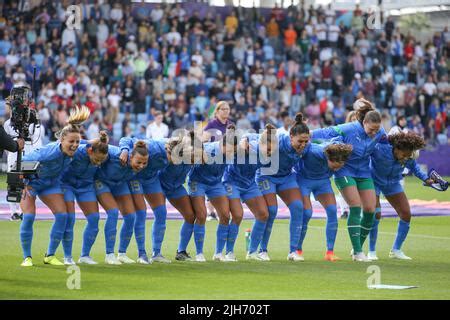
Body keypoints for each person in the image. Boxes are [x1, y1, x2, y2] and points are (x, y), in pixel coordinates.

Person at [311, 99, 387, 262]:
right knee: (355, 206)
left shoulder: (380, 132)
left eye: (377, 130)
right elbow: (327, 131)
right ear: (364, 122)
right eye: (371, 129)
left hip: (364, 172)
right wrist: (307, 134)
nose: (374, 133)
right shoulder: (350, 128)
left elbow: (388, 142)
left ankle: (356, 248)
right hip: (344, 170)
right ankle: (359, 252)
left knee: (370, 210)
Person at [19, 106, 90, 267]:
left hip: (50, 184)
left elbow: (83, 143)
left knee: (62, 216)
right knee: (29, 216)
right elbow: (23, 162)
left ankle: (49, 255)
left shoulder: (74, 148)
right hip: (29, 184)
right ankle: (27, 257)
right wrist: (23, 182)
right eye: (71, 142)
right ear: (61, 140)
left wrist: (92, 141)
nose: (75, 145)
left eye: (77, 142)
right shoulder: (49, 152)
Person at [118, 135, 190, 264]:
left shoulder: (178, 152)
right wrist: (124, 150)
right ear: (169, 152)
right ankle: (140, 254)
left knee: (161, 213)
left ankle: (156, 253)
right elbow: (126, 139)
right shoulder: (154, 147)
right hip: (136, 178)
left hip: (151, 180)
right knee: (141, 213)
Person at [368, 132, 435, 261]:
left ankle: (396, 250)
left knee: (406, 213)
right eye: (404, 155)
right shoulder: (381, 149)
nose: (406, 158)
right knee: (376, 214)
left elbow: (415, 168)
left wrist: (426, 179)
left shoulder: (408, 157)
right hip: (373, 181)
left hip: (392, 183)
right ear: (396, 149)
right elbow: (365, 152)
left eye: (408, 156)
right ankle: (371, 251)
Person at [255, 113, 309, 262]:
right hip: (266, 176)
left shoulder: (306, 146)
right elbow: (254, 138)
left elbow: (319, 147)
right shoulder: (278, 141)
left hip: (286, 177)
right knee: (271, 210)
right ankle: (262, 250)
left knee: (299, 207)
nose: (303, 145)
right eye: (300, 141)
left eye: (306, 141)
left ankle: (293, 251)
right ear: (291, 136)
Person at [223, 124, 277, 261]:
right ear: (261, 144)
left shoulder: (266, 146)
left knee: (263, 214)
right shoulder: (247, 147)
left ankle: (252, 252)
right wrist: (241, 142)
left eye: (273, 150)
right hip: (232, 181)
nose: (271, 153)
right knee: (237, 215)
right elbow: (241, 139)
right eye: (269, 149)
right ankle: (229, 252)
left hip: (249, 183)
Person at [294, 142, 353, 261]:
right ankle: (297, 249)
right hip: (304, 181)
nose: (337, 168)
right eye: (335, 165)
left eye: (340, 166)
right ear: (328, 158)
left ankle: (330, 252)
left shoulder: (339, 154)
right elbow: (297, 152)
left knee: (332, 211)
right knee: (306, 213)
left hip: (323, 183)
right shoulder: (313, 152)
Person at [188, 125, 238, 262]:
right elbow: (191, 163)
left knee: (225, 216)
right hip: (197, 182)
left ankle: (218, 253)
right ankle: (199, 253)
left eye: (233, 152)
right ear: (222, 144)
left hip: (215, 184)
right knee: (202, 215)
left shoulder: (232, 152)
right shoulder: (208, 149)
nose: (231, 155)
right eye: (229, 151)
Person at [94, 140, 149, 265]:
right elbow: (122, 140)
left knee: (131, 216)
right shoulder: (116, 154)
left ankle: (122, 253)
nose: (141, 166)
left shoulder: (140, 162)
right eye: (138, 162)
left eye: (144, 163)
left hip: (119, 184)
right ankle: (109, 254)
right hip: (101, 182)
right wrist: (124, 149)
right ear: (130, 157)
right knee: (113, 212)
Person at [60, 132, 109, 265]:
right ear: (89, 151)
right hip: (67, 185)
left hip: (86, 186)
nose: (98, 163)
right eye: (97, 160)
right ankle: (67, 257)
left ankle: (85, 256)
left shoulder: (101, 150)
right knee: (70, 219)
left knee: (94, 219)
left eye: (101, 161)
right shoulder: (79, 150)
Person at [158, 130, 204, 261]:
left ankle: (181, 252)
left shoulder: (197, 152)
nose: (195, 159)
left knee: (190, 215)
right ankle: (156, 253)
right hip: (158, 185)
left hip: (176, 187)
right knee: (160, 215)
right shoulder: (169, 145)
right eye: (194, 155)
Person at [3, 98, 42, 221]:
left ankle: (25, 210)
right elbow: (6, 142)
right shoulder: (7, 124)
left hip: (28, 151)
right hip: (14, 152)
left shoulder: (32, 123)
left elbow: (35, 138)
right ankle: (14, 211)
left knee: (28, 181)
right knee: (13, 182)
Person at [202, 101, 233, 221]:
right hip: (213, 160)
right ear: (217, 111)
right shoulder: (212, 124)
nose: (226, 111)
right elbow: (203, 141)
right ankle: (211, 212)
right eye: (223, 109)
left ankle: (223, 211)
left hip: (227, 160)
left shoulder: (230, 125)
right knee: (211, 183)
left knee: (225, 184)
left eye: (228, 109)